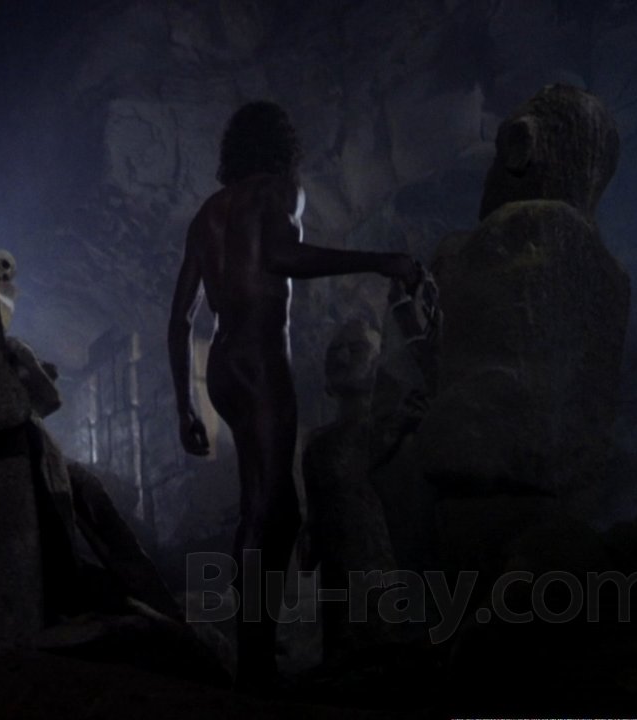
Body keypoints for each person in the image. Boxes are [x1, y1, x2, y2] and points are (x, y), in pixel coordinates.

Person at [167, 101, 421, 690]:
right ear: (283, 149)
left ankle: (254, 649)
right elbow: (284, 257)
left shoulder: (207, 214)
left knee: (260, 504)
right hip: (261, 361)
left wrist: (185, 406)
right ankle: (255, 660)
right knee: (275, 512)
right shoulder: (277, 191)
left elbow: (180, 319)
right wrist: (383, 262)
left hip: (224, 367)